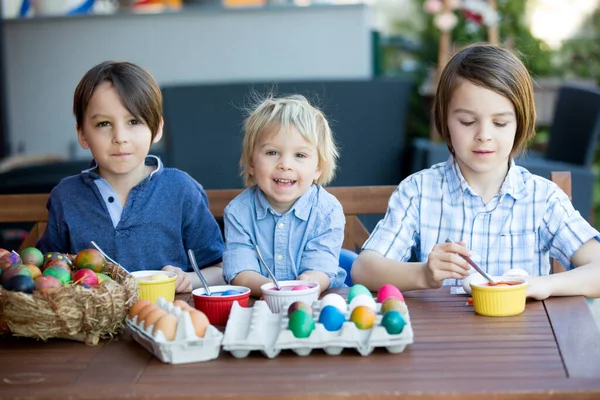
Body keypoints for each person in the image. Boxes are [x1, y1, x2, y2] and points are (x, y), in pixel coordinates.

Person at [351, 44, 600, 301]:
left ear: (520, 122)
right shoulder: (419, 191)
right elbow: (364, 268)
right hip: (443, 337)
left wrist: (543, 285)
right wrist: (424, 274)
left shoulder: (542, 198)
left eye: (500, 123)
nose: (484, 135)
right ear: (445, 121)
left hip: (523, 337)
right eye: (468, 122)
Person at [37, 61, 225, 293]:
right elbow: (47, 270)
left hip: (166, 321)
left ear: (156, 129)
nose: (120, 137)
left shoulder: (181, 190)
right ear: (83, 134)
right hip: (93, 326)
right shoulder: (67, 197)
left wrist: (188, 279)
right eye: (104, 124)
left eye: (133, 121)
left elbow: (221, 269)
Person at [223, 94, 346, 297]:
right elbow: (241, 272)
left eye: (300, 155)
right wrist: (276, 291)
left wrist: (306, 284)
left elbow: (321, 265)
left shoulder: (327, 210)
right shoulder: (238, 212)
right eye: (272, 152)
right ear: (252, 163)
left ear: (318, 168)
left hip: (316, 304)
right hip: (259, 305)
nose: (285, 164)